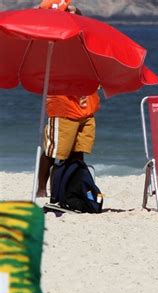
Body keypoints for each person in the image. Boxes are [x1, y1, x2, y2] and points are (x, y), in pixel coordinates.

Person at [36, 1, 100, 197]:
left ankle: (68, 187)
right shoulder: (53, 42)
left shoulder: (83, 40)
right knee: (54, 150)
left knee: (78, 152)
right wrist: (59, 11)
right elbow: (43, 15)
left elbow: (82, 21)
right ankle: (41, 189)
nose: (73, 15)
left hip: (86, 105)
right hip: (63, 105)